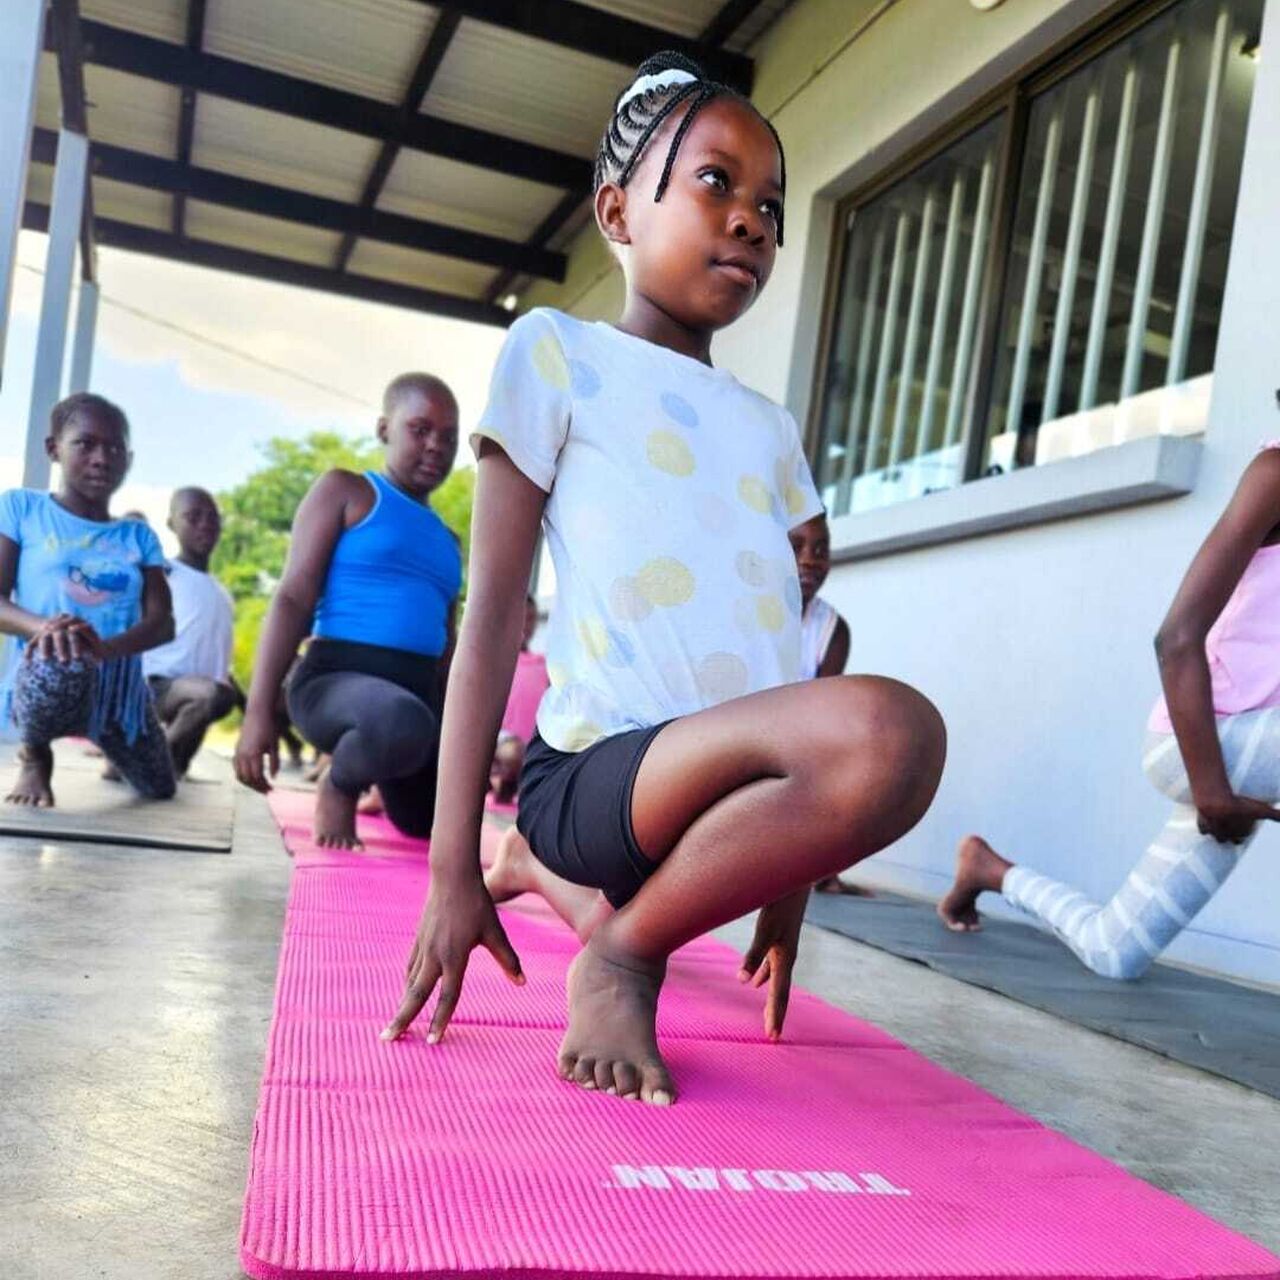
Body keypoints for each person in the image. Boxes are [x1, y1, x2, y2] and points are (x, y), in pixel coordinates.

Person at [382, 53, 945, 1107]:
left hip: (718, 810)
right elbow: (494, 612)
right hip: (596, 779)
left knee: (889, 736)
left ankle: (602, 918)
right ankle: (618, 950)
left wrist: (784, 891)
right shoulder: (555, 351)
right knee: (886, 725)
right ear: (616, 210)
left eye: (770, 205)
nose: (749, 220)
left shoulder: (769, 429)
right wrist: (446, 866)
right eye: (714, 181)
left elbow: (781, 645)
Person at [939, 437, 1280, 980]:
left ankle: (989, 869)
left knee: (1115, 951)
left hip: (1256, 756)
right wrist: (1211, 789)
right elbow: (1176, 639)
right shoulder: (1275, 471)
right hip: (1205, 743)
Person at [233, 373, 462, 849]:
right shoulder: (349, 491)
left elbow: (448, 644)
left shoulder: (448, 541)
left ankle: (378, 773)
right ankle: (339, 784)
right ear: (384, 429)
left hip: (413, 701)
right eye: (420, 429)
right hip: (332, 682)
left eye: (448, 436)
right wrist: (258, 713)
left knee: (428, 820)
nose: (436, 445)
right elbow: (293, 597)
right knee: (399, 721)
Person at [0, 393, 177, 807]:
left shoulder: (138, 537)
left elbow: (162, 623)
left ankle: (113, 751)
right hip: (47, 672)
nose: (102, 457)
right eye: (86, 443)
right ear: (53, 449)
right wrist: (43, 627)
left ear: (128, 460)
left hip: (119, 691)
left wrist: (104, 650)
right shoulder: (21, 508)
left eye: (115, 448)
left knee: (160, 788)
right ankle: (35, 756)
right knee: (63, 648)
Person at [139, 488, 240, 777]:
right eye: (193, 517)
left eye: (212, 517)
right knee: (206, 693)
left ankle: (174, 764)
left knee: (222, 693)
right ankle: (146, 761)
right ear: (172, 524)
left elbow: (217, 656)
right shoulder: (163, 573)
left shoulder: (221, 593)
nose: (205, 524)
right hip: (155, 686)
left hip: (196, 688)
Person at [790, 510, 864, 895]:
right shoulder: (747, 611)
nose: (810, 559)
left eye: (821, 549)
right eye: (796, 546)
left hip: (793, 748)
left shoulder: (832, 630)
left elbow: (822, 722)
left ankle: (818, 866)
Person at [490, 594, 549, 804]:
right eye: (522, 617)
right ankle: (504, 780)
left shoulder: (544, 664)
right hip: (500, 741)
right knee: (514, 752)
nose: (527, 624)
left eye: (531, 618)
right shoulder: (493, 659)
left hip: (530, 743)